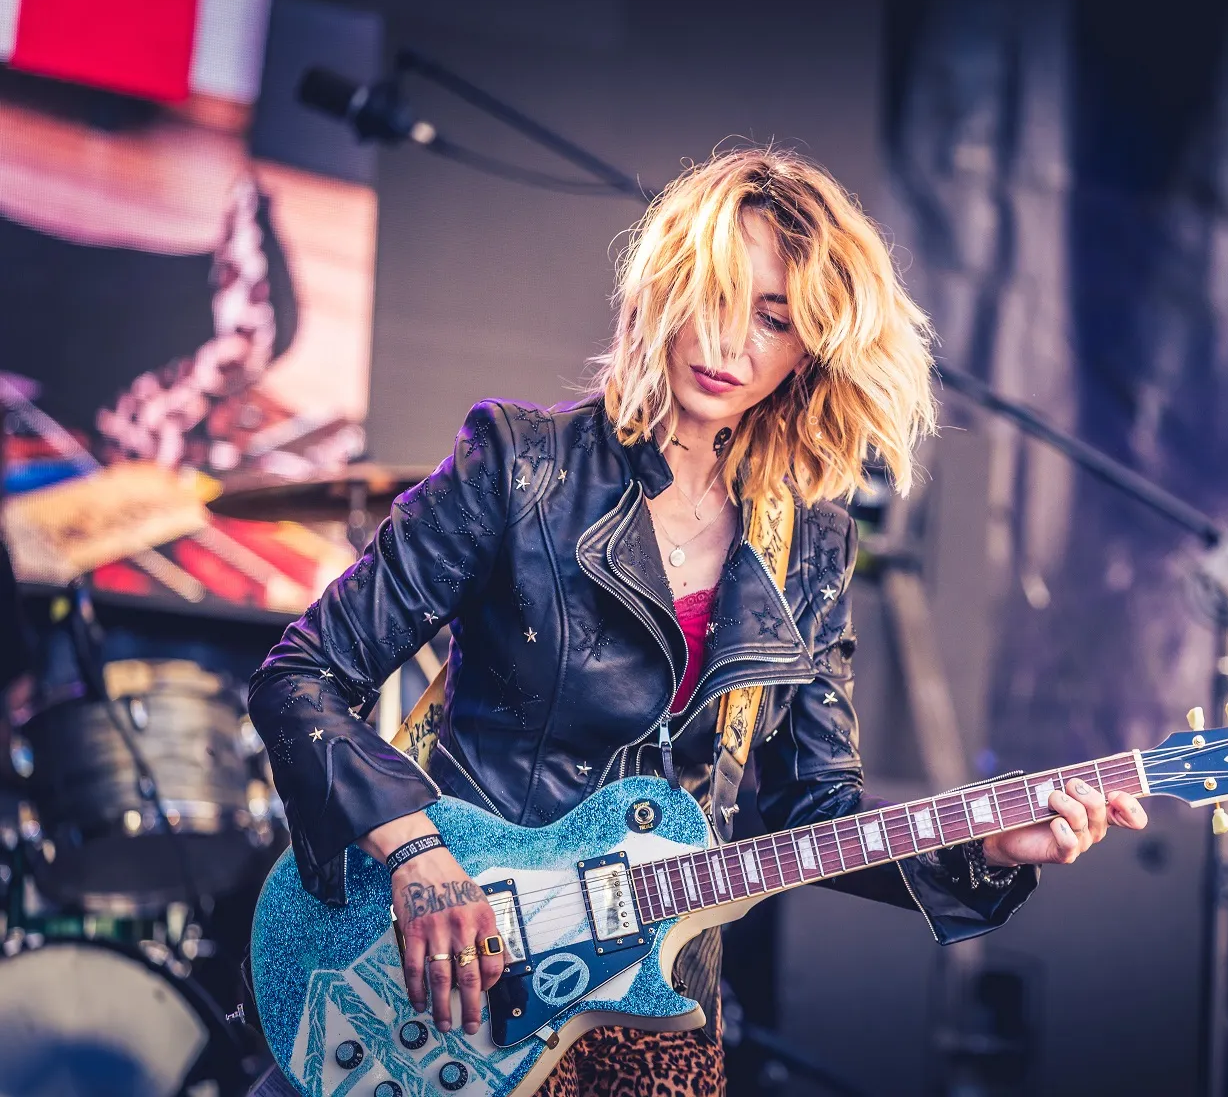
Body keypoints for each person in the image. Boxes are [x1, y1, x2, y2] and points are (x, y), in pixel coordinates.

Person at [247, 147, 1148, 1096]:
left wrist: (989, 849)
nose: (732, 345)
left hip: (657, 1005)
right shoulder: (519, 467)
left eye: (776, 320)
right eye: (719, 297)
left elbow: (819, 814)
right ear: (666, 289)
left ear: (812, 349)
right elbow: (298, 677)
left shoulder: (812, 547)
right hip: (458, 970)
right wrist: (418, 854)